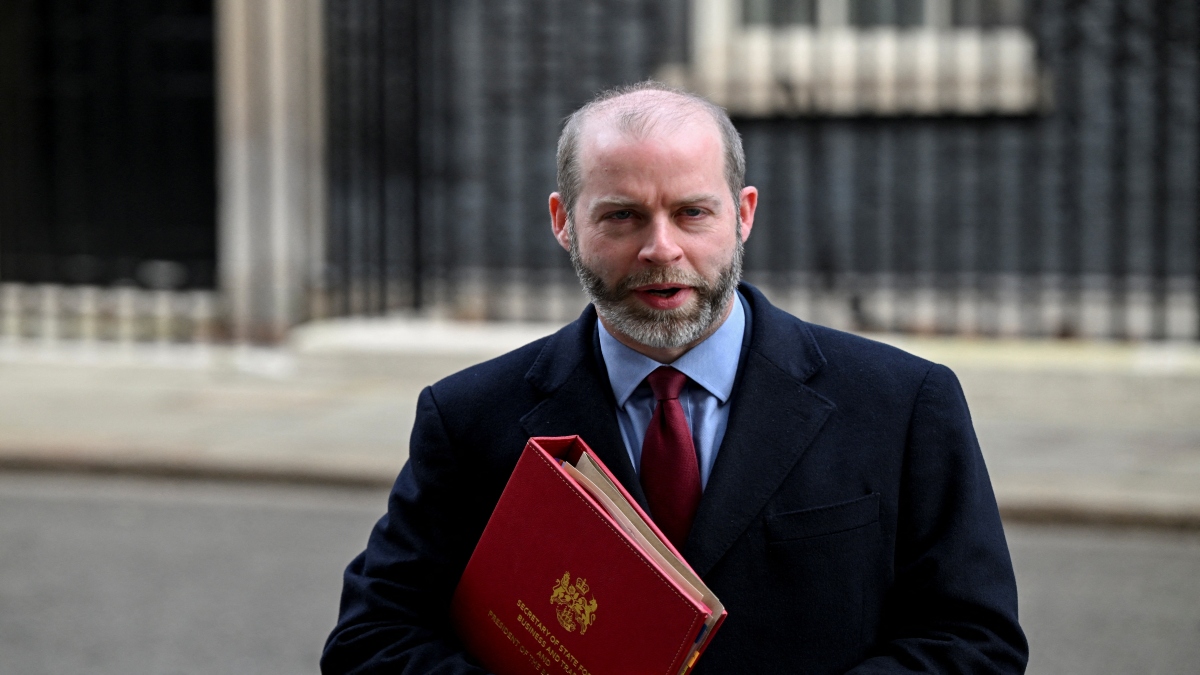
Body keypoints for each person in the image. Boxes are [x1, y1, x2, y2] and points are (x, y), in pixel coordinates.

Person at [322, 81, 1028, 674]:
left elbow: (976, 640)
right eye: (623, 216)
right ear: (563, 222)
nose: (662, 248)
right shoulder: (469, 417)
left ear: (743, 214)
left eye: (692, 212)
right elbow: (370, 640)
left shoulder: (903, 403)